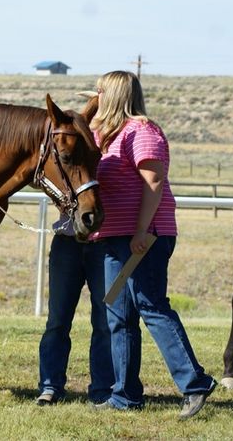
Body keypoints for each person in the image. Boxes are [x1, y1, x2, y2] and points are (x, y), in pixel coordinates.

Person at [89, 70, 216, 419]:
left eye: (99, 91)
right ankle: (125, 394)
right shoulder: (104, 134)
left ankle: (195, 383)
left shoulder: (142, 131)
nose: (94, 97)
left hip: (144, 237)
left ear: (112, 94)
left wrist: (142, 231)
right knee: (119, 314)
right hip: (114, 238)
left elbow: (154, 181)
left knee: (151, 306)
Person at [36, 210, 114, 406]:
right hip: (67, 243)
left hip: (106, 245)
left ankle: (102, 389)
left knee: (105, 322)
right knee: (57, 320)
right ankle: (50, 386)